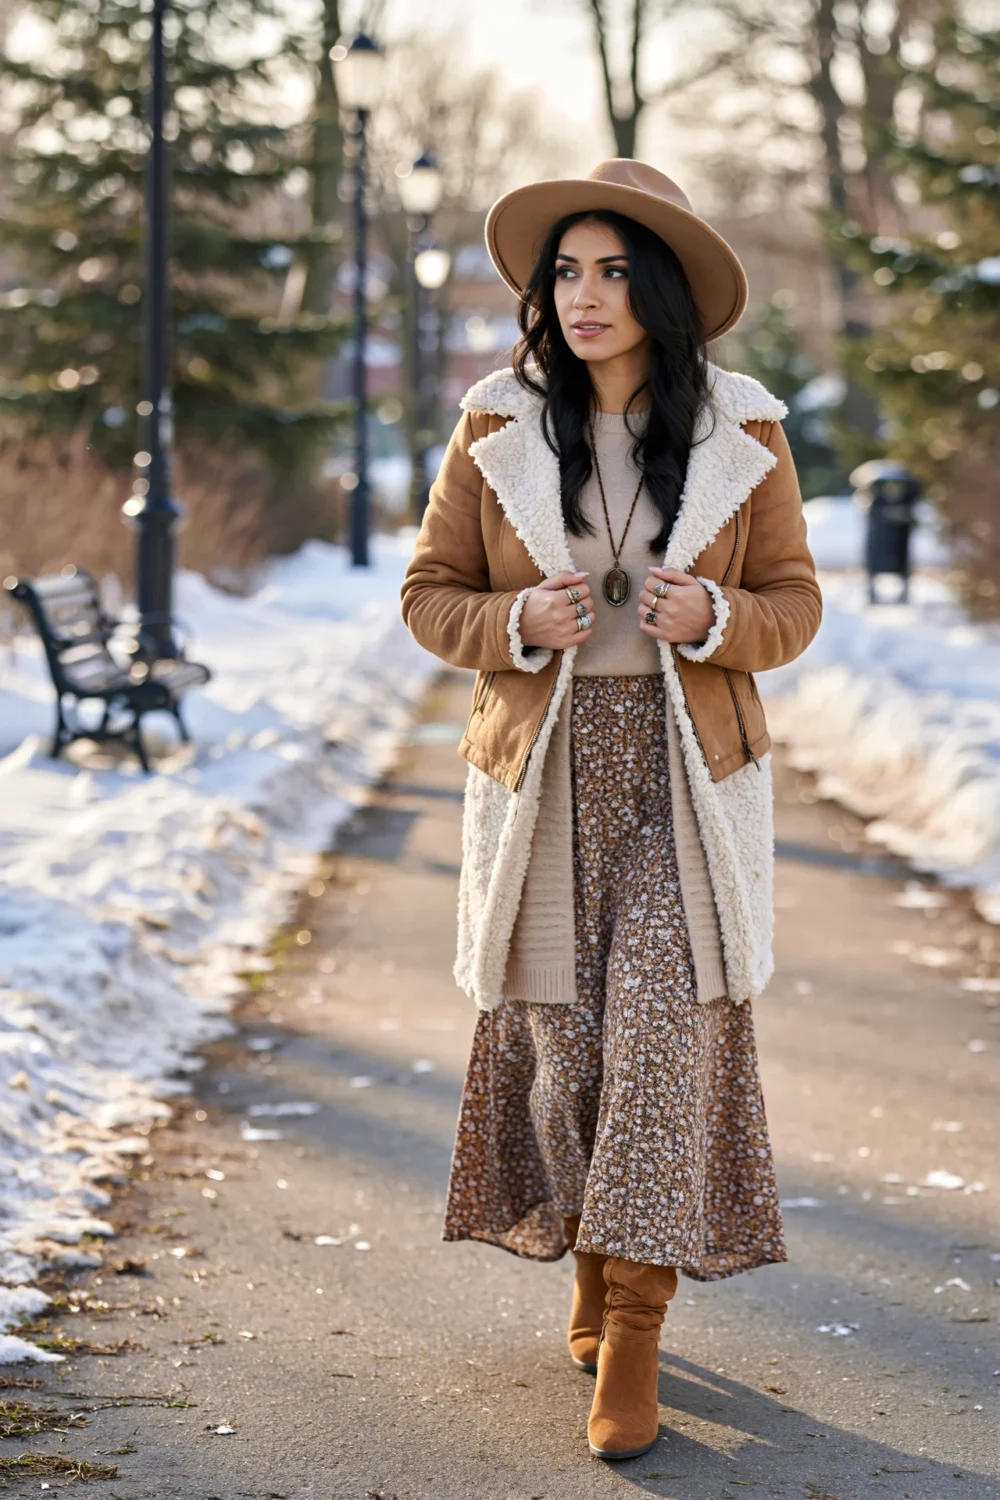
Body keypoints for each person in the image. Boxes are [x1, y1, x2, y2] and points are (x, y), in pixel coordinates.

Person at [400, 159, 822, 1462]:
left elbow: (797, 603)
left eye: (614, 270)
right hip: (544, 778)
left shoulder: (745, 434)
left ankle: (634, 1322)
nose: (584, 295)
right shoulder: (494, 429)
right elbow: (429, 592)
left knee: (656, 1028)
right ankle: (595, 1252)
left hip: (689, 782)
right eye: (566, 271)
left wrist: (720, 619)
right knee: (566, 1044)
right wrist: (515, 621)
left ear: (666, 289)